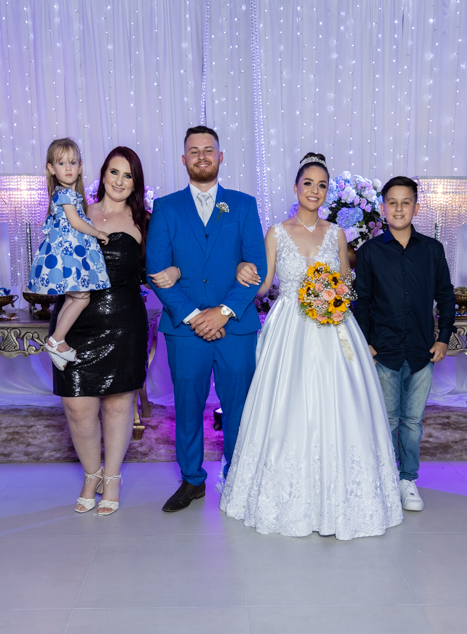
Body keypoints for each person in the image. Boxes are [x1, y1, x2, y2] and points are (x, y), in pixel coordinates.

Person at [219, 153, 403, 540]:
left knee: (341, 404)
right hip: (289, 327)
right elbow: (264, 286)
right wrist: (241, 270)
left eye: (322, 185)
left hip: (333, 328)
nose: (314, 191)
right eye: (308, 183)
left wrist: (333, 296)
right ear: (295, 188)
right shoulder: (276, 232)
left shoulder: (336, 233)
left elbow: (346, 283)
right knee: (287, 404)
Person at [146, 125, 267, 513]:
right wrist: (196, 316)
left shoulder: (243, 205)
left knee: (239, 409)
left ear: (220, 157)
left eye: (208, 150)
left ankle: (238, 478)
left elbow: (257, 267)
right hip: (186, 330)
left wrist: (223, 312)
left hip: (236, 327)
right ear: (184, 159)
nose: (202, 156)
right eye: (194, 151)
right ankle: (191, 480)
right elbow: (156, 270)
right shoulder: (166, 208)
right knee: (187, 408)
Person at [50, 146, 149, 515]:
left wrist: (172, 272)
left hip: (123, 322)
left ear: (135, 183)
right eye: (114, 172)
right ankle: (91, 474)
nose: (119, 181)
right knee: (77, 405)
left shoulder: (145, 222)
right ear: (103, 174)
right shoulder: (76, 210)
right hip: (76, 321)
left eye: (128, 175)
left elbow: (159, 266)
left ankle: (112, 477)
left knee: (118, 404)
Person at [354, 176, 456, 512]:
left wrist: (443, 339)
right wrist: (367, 343)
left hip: (421, 351)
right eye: (392, 203)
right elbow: (362, 302)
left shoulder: (432, 250)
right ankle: (385, 478)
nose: (399, 209)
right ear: (383, 208)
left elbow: (445, 297)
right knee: (387, 419)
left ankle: (407, 479)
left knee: (413, 421)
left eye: (406, 202)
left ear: (416, 206)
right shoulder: (369, 252)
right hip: (384, 351)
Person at [29, 138, 110, 370]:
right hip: (67, 255)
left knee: (74, 297)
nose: (68, 168)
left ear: (80, 167)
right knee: (82, 297)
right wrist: (98, 232)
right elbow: (75, 223)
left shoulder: (67, 194)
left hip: (71, 253)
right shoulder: (65, 194)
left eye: (72, 162)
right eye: (61, 163)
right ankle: (56, 339)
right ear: (51, 168)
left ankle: (57, 339)